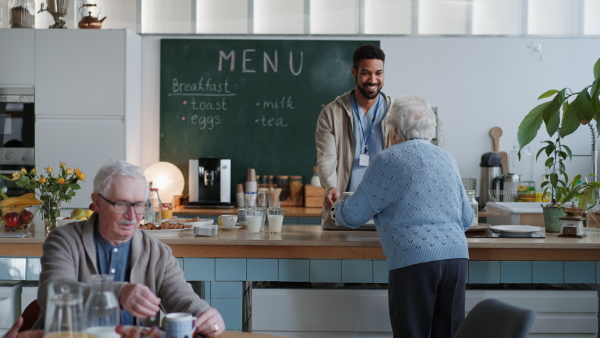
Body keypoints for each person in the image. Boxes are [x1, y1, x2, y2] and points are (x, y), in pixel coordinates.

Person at [330, 96, 473, 338]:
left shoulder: (387, 159)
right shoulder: (447, 159)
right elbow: (467, 218)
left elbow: (353, 215)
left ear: (393, 131)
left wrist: (335, 210)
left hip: (414, 260)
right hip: (456, 258)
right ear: (430, 128)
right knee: (448, 333)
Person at [32, 160, 225, 337]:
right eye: (122, 204)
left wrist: (205, 316)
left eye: (140, 205)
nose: (133, 216)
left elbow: (183, 300)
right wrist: (118, 293)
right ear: (97, 202)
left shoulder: (157, 253)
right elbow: (54, 292)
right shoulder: (65, 240)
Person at [315, 44, 393, 226]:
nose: (373, 80)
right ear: (354, 72)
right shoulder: (331, 113)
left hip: (384, 217)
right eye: (366, 73)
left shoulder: (395, 112)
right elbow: (326, 159)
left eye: (379, 73)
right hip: (343, 211)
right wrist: (330, 186)